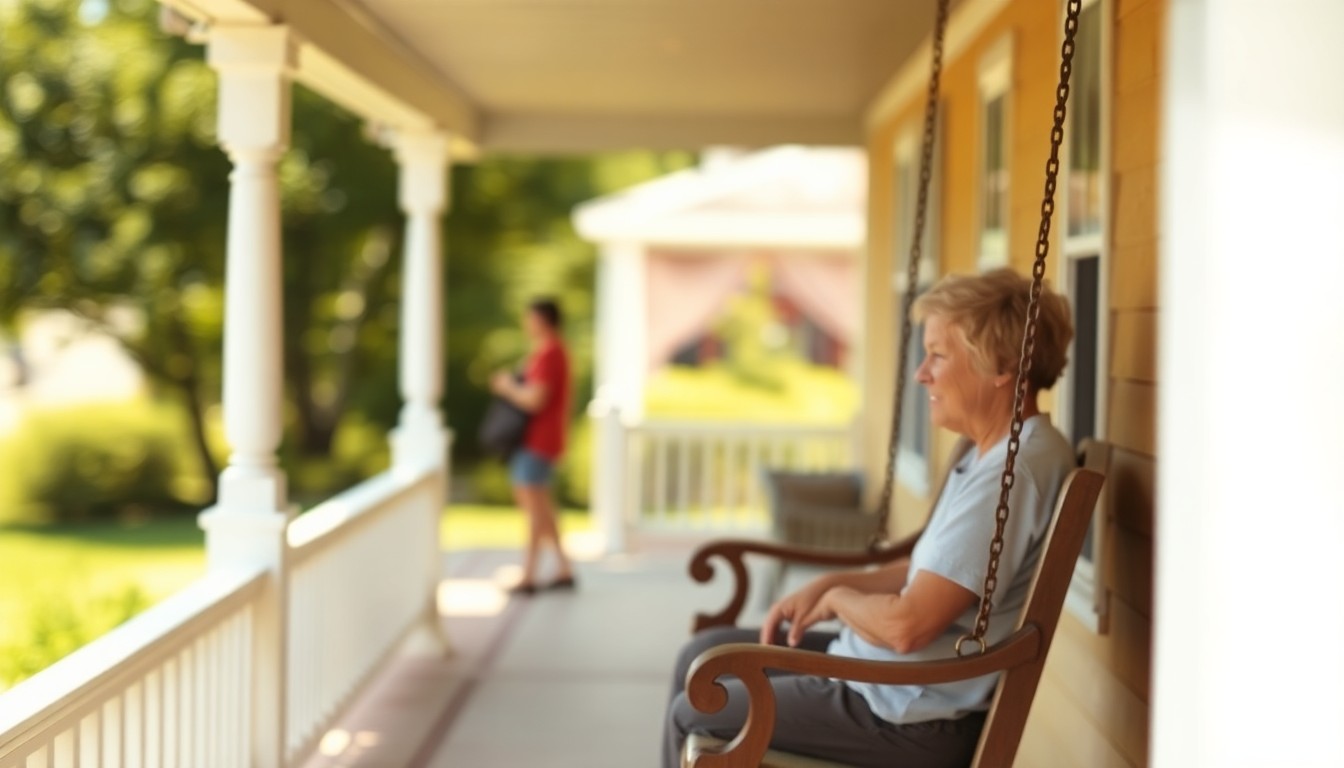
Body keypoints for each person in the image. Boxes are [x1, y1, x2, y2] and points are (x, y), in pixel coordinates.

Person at [663, 269, 1076, 768]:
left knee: (697, 709)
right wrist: (838, 582)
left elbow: (907, 627)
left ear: (1002, 366)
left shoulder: (1012, 473)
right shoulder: (993, 455)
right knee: (704, 655)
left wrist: (840, 598)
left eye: (938, 355)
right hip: (886, 683)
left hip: (904, 713)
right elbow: (931, 576)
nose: (922, 373)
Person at [490, 298, 577, 595]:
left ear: (541, 320)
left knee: (533, 509)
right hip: (542, 440)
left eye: (529, 318)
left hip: (537, 441)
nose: (526, 324)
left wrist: (506, 386)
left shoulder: (550, 353)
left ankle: (528, 573)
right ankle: (564, 568)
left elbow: (535, 399)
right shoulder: (554, 352)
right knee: (542, 508)